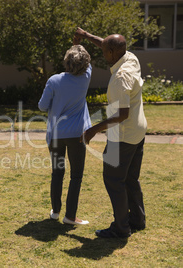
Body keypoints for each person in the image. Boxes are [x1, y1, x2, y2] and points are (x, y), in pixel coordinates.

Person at [75, 28, 147, 238]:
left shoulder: (119, 79)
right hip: (138, 131)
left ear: (113, 53)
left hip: (123, 136)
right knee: (131, 178)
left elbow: (121, 115)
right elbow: (107, 44)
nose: (103, 54)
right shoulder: (130, 58)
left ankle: (121, 228)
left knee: (114, 180)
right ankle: (137, 220)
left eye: (105, 51)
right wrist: (87, 36)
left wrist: (92, 130)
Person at [38, 44, 92, 225]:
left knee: (57, 173)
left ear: (66, 61)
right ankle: (70, 216)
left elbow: (42, 106)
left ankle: (55, 211)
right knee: (76, 175)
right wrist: (81, 40)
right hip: (77, 134)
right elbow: (88, 62)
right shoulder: (85, 78)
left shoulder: (54, 80)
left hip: (55, 135)